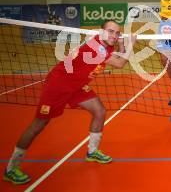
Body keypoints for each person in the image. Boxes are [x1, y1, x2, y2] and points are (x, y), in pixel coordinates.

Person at [3, 20, 137, 184]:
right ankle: (11, 168)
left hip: (78, 86)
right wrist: (132, 44)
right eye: (110, 31)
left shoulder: (107, 44)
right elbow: (120, 63)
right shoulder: (95, 47)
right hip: (58, 85)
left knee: (99, 111)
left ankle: (92, 151)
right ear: (100, 31)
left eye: (117, 33)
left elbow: (118, 57)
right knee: (39, 124)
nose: (114, 36)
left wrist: (122, 44)